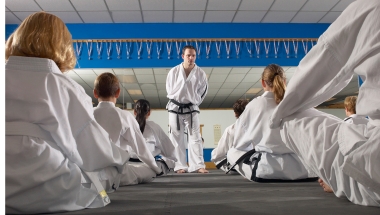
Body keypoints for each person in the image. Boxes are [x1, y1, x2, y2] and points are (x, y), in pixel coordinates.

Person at [5, 12, 130, 214]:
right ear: (61, 45)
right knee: (106, 172)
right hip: (46, 186)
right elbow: (93, 150)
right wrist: (122, 158)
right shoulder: (64, 87)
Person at [270, 0, 380, 206]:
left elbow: (323, 64)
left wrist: (277, 117)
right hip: (299, 170)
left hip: (374, 177)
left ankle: (342, 177)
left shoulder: (371, 6)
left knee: (289, 117)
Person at [226, 64, 316, 182]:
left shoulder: (254, 105)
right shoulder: (299, 102)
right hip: (306, 170)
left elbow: (239, 144)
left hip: (267, 170)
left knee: (232, 152)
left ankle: (247, 171)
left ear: (263, 83)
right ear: (285, 81)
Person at [93, 72, 163, 184]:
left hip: (89, 174)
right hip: (117, 174)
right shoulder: (125, 116)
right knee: (149, 170)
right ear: (118, 93)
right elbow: (141, 150)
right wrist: (157, 169)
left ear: (95, 93)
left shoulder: (86, 114)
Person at [166, 45, 208, 173]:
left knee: (195, 137)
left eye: (193, 55)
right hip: (175, 108)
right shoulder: (174, 71)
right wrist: (179, 100)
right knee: (176, 138)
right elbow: (169, 89)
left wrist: (194, 102)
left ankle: (198, 165)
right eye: (188, 55)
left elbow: (203, 91)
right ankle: (179, 166)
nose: (191, 58)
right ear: (183, 56)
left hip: (192, 108)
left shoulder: (200, 73)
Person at [134, 99, 178, 175]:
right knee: (167, 161)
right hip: (148, 167)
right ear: (149, 113)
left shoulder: (127, 125)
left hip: (127, 165)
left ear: (134, 112)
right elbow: (169, 150)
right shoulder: (154, 127)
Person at [211, 99, 249, 173]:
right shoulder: (256, 127)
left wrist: (214, 156)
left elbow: (220, 151)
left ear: (235, 113)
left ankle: (234, 167)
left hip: (235, 164)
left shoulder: (230, 129)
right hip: (253, 163)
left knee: (215, 153)